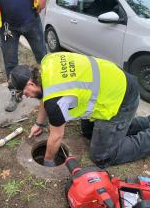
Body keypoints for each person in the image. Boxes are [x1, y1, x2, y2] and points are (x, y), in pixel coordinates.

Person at [9, 52, 150, 168]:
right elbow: (45, 97)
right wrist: (38, 124)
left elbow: (56, 136)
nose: (25, 96)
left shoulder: (54, 103)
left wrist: (48, 161)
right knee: (88, 132)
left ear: (31, 83)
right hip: (112, 83)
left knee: (101, 156)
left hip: (121, 99)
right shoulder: (47, 62)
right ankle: (144, 123)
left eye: (23, 92)